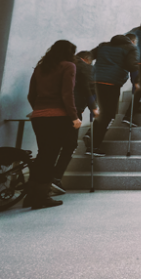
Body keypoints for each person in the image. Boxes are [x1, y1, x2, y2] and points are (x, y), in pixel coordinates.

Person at [24, 40, 80, 209]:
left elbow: (31, 95)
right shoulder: (68, 66)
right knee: (50, 157)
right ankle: (41, 197)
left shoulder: (40, 68)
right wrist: (74, 117)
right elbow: (67, 94)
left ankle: (31, 196)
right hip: (58, 117)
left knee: (43, 155)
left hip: (39, 117)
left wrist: (39, 111)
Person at [48, 51, 98, 196]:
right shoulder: (85, 67)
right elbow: (89, 89)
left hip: (50, 110)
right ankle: (55, 177)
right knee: (70, 145)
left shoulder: (58, 66)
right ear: (87, 59)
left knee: (50, 146)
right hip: (71, 111)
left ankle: (42, 179)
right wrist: (94, 107)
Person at [87, 35, 138, 155]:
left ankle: (91, 136)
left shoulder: (103, 46)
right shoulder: (131, 48)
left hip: (95, 81)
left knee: (103, 113)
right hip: (111, 84)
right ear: (131, 41)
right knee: (108, 114)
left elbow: (88, 57)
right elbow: (132, 66)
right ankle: (93, 145)